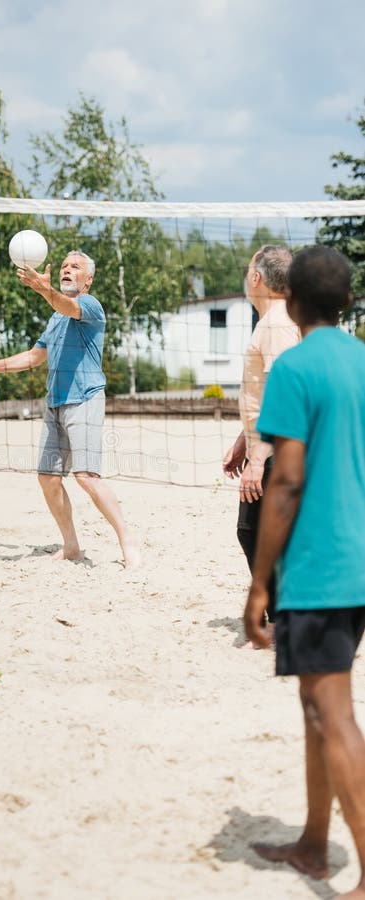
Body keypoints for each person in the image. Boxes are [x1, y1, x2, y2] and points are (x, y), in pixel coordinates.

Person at [244, 246, 365, 897]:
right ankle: (314, 845)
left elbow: (283, 481)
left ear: (290, 302)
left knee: (333, 711)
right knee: (316, 707)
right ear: (344, 303)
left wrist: (259, 580)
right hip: (360, 561)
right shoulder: (363, 363)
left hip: (320, 567)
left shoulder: (292, 368)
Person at [0, 250, 141, 569]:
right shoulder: (55, 316)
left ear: (88, 279)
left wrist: (46, 290)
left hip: (85, 398)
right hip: (55, 404)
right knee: (47, 477)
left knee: (87, 477)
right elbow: (34, 356)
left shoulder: (89, 305)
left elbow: (68, 305)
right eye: (63, 266)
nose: (67, 270)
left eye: (75, 267)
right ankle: (71, 546)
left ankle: (128, 541)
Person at [223, 244, 300, 629]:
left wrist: (258, 459)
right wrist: (244, 440)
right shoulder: (275, 321)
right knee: (256, 531)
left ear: (257, 278)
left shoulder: (278, 324)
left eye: (247, 269)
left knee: (259, 532)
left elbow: (287, 395)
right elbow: (265, 393)